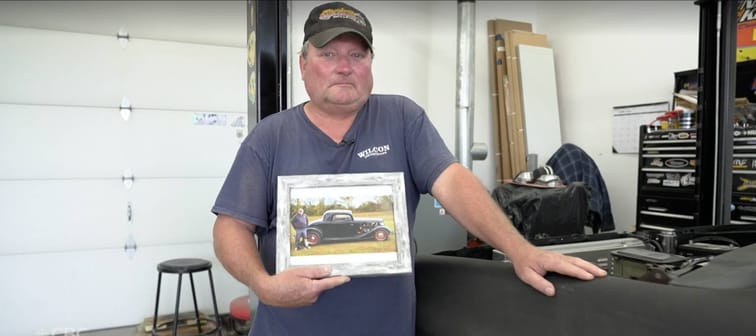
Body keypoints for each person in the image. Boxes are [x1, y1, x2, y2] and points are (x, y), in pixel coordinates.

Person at [212, 1, 607, 335]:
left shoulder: (401, 118)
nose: (344, 66)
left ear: (370, 63)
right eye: (328, 54)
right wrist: (263, 285)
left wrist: (520, 250)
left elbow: (453, 183)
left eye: (357, 54)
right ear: (303, 64)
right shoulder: (270, 137)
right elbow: (231, 226)